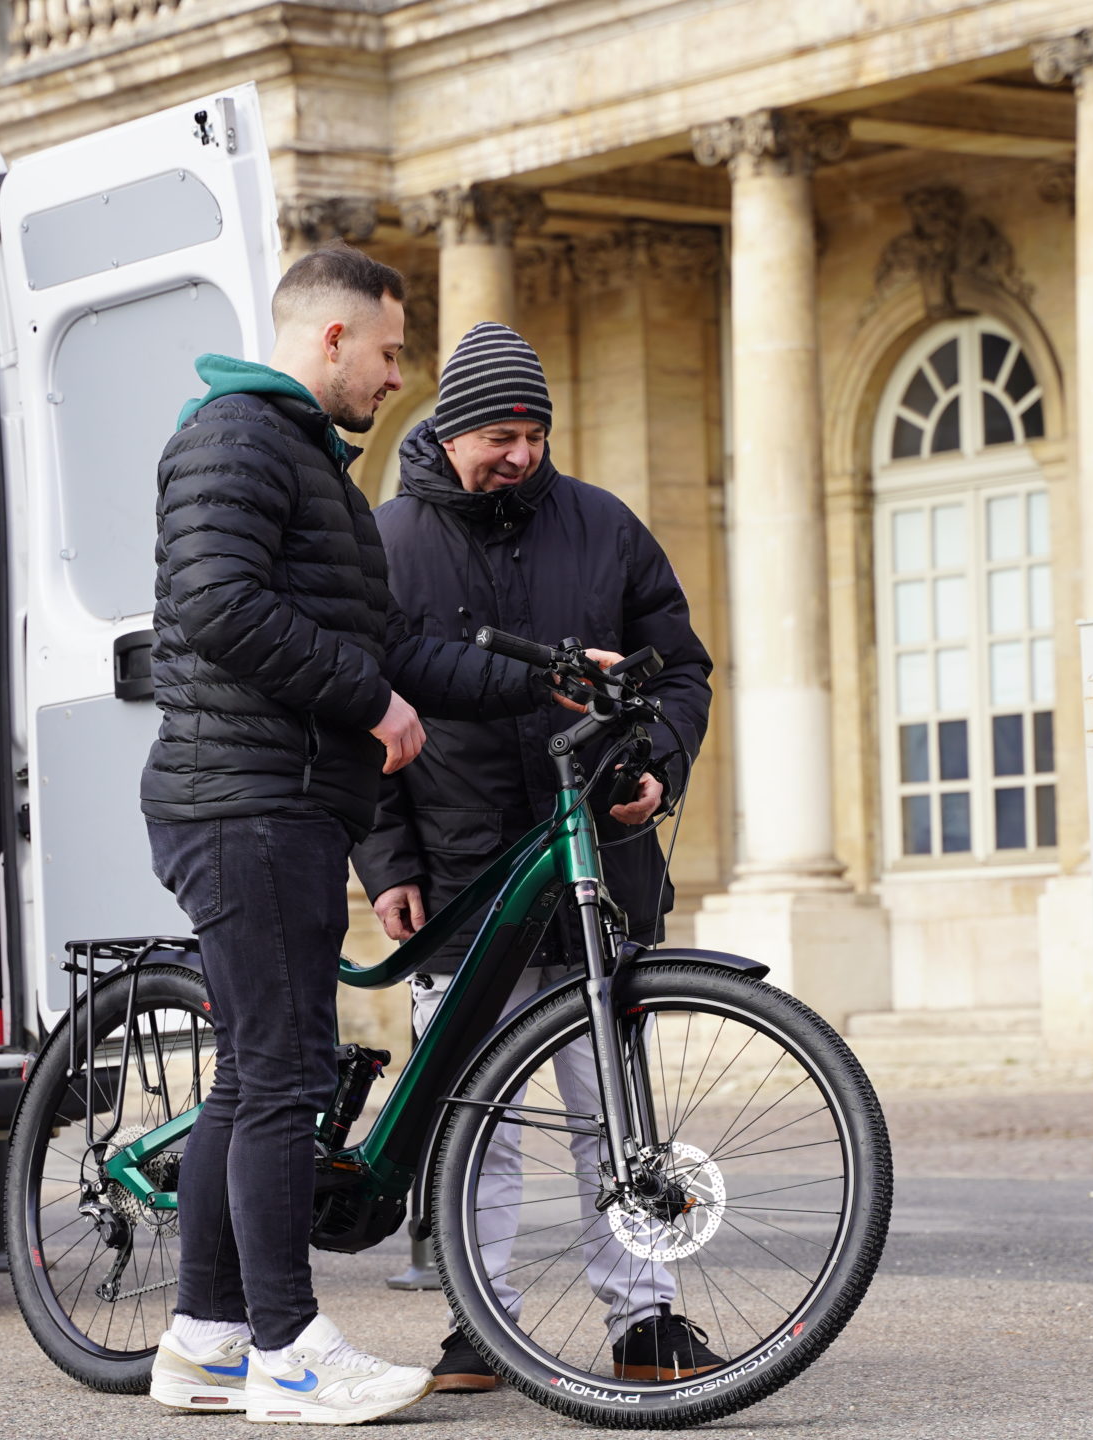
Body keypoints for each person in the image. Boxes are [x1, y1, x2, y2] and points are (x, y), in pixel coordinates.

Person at [140, 247, 551, 1425]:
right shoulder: (236, 438)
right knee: (286, 1077)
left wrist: (545, 685)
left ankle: (205, 1342)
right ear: (329, 340)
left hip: (280, 798)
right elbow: (217, 605)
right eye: (385, 350)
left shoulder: (305, 459)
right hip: (246, 800)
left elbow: (388, 646)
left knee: (251, 1080)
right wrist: (366, 704)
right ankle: (289, 1354)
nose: (396, 375)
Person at [351, 322, 720, 1390]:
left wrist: (656, 757)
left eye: (535, 431)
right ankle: (479, 1327)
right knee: (479, 1127)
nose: (520, 451)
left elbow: (679, 668)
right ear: (453, 430)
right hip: (462, 879)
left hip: (597, 865)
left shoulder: (604, 526)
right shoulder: (389, 541)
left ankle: (645, 1322)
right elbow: (367, 713)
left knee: (615, 1116)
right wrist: (390, 865)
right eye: (499, 433)